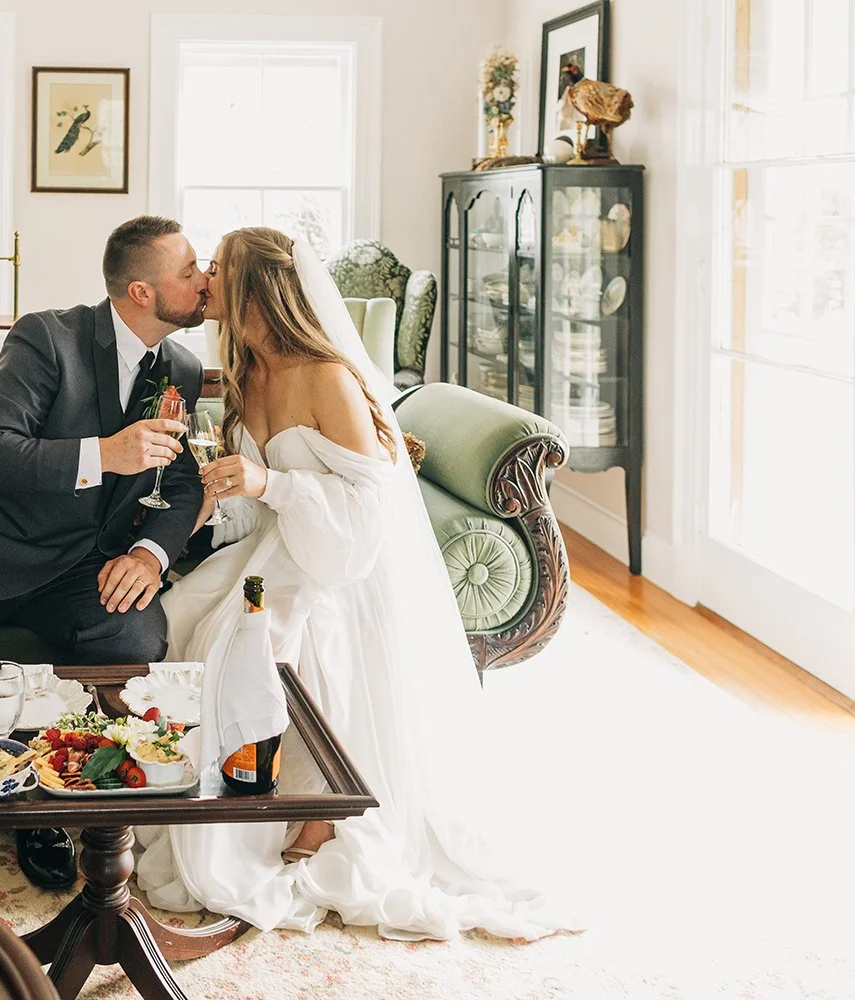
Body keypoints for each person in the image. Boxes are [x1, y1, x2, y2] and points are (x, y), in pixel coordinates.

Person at [134, 227, 579, 942]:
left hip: (343, 562)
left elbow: (371, 508)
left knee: (253, 638)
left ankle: (312, 814)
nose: (206, 278)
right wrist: (211, 502)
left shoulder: (327, 377)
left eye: (218, 268)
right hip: (281, 545)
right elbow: (252, 504)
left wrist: (270, 483)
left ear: (257, 288)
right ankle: (214, 798)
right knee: (180, 612)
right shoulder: (244, 373)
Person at [0, 215, 208, 889]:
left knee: (135, 635)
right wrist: (102, 455)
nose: (204, 283)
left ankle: (50, 803)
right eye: (190, 271)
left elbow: (180, 481)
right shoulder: (46, 337)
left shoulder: (183, 369)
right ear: (141, 292)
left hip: (82, 567)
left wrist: (148, 555)